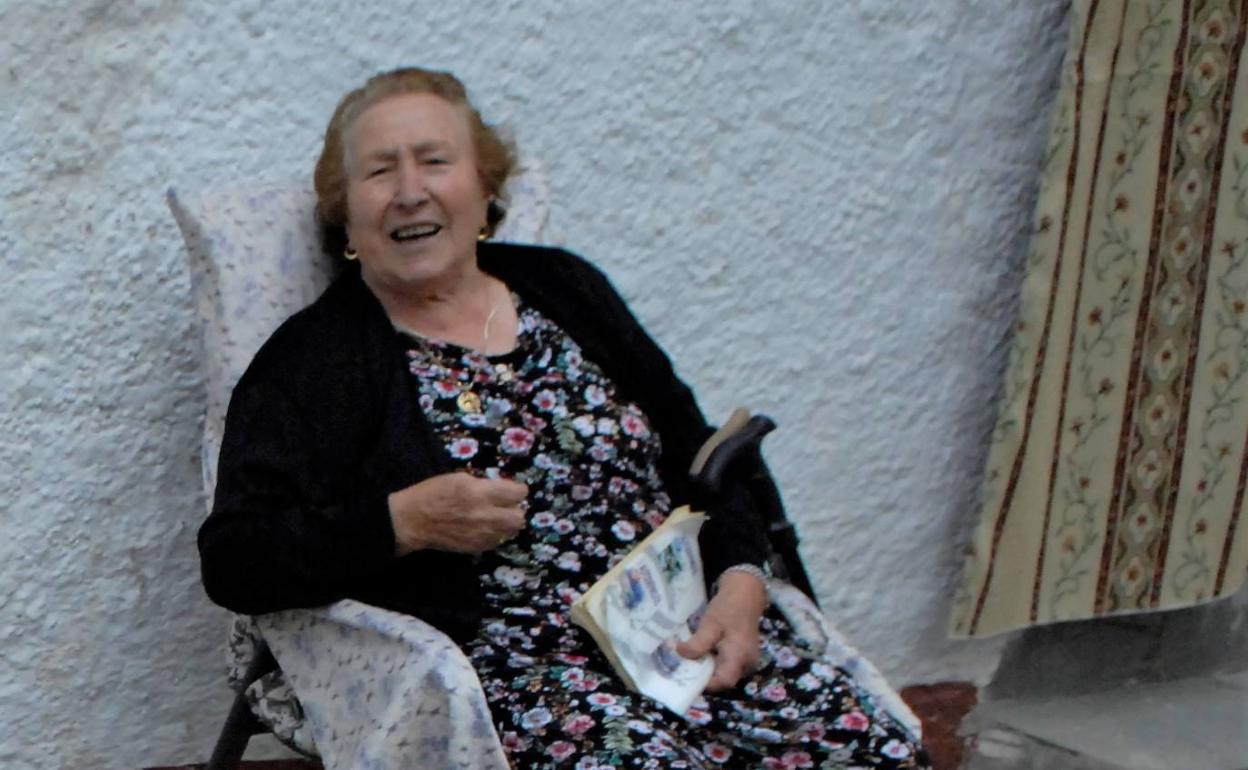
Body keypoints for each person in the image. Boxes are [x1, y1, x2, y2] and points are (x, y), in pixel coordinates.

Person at [198, 66, 929, 769]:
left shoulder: (564, 285)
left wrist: (741, 576)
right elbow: (236, 557)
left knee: (876, 749)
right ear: (346, 211)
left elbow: (698, 448)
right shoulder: (314, 361)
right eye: (380, 171)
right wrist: (400, 523)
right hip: (523, 669)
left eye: (435, 161)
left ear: (484, 188)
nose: (411, 192)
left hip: (679, 632)